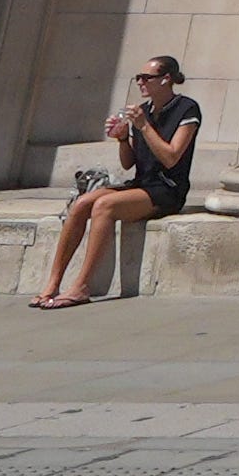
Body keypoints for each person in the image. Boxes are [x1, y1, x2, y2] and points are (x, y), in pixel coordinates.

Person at [32, 54, 200, 310]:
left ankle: (81, 287)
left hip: (167, 188)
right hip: (141, 183)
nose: (141, 82)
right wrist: (122, 138)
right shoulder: (142, 111)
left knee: (104, 206)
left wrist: (143, 127)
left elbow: (171, 157)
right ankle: (52, 284)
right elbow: (128, 163)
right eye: (138, 78)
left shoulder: (186, 109)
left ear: (166, 80)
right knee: (82, 203)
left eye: (146, 77)